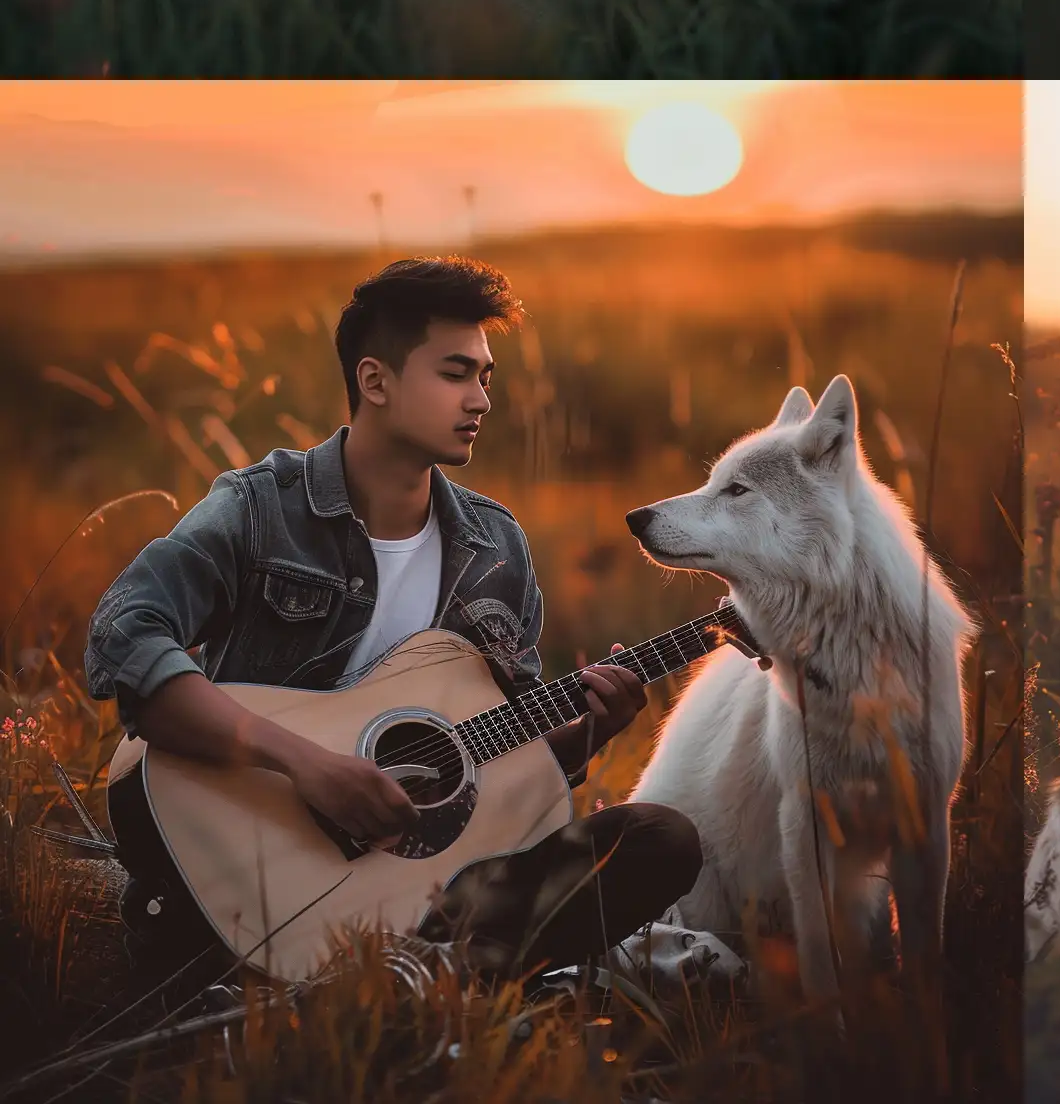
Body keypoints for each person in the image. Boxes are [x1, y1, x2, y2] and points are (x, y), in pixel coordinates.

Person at [84, 257, 700, 984]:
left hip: (429, 888)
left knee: (660, 837)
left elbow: (505, 769)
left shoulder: (495, 547)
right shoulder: (259, 508)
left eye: (486, 378)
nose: (480, 400)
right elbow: (124, 635)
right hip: (258, 876)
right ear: (375, 381)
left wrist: (590, 729)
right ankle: (421, 987)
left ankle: (420, 982)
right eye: (455, 373)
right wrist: (306, 763)